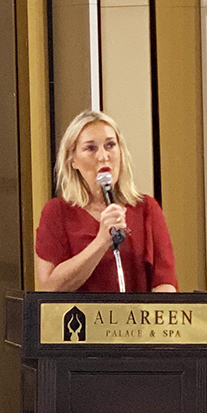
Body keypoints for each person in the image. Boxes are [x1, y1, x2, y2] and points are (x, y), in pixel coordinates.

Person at [35, 110, 178, 294]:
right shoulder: (58, 212)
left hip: (137, 313)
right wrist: (101, 241)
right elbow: (49, 289)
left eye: (110, 145)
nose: (103, 156)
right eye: (90, 148)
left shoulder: (146, 208)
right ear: (73, 160)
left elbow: (165, 283)